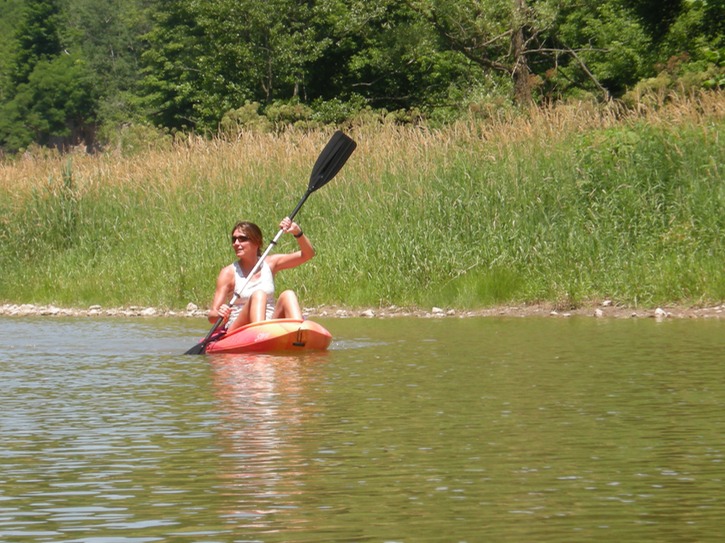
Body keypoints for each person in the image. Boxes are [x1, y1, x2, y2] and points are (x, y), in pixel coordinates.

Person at [208, 217, 314, 332]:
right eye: (234, 239)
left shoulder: (270, 263)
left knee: (288, 294)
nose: (236, 243)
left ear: (257, 242)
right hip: (238, 328)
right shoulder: (228, 273)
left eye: (242, 239)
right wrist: (219, 313)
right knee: (258, 294)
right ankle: (259, 332)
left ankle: (298, 333)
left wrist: (297, 232)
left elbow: (307, 254)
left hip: (270, 324)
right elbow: (212, 316)